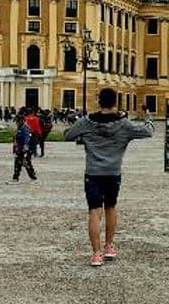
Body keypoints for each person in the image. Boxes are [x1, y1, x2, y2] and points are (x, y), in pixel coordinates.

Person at [63, 87, 154, 266]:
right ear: (115, 102)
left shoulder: (86, 122)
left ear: (99, 101)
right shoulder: (124, 124)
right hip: (113, 172)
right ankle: (109, 246)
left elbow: (67, 135)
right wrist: (148, 117)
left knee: (94, 211)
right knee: (111, 207)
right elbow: (148, 131)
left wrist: (83, 137)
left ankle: (96, 254)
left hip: (93, 173)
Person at [10, 113, 38, 183]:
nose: (16, 123)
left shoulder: (24, 128)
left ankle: (33, 177)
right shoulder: (20, 127)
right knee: (18, 163)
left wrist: (25, 149)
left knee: (26, 163)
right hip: (19, 149)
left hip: (24, 149)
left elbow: (26, 139)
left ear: (21, 121)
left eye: (17, 121)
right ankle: (15, 177)